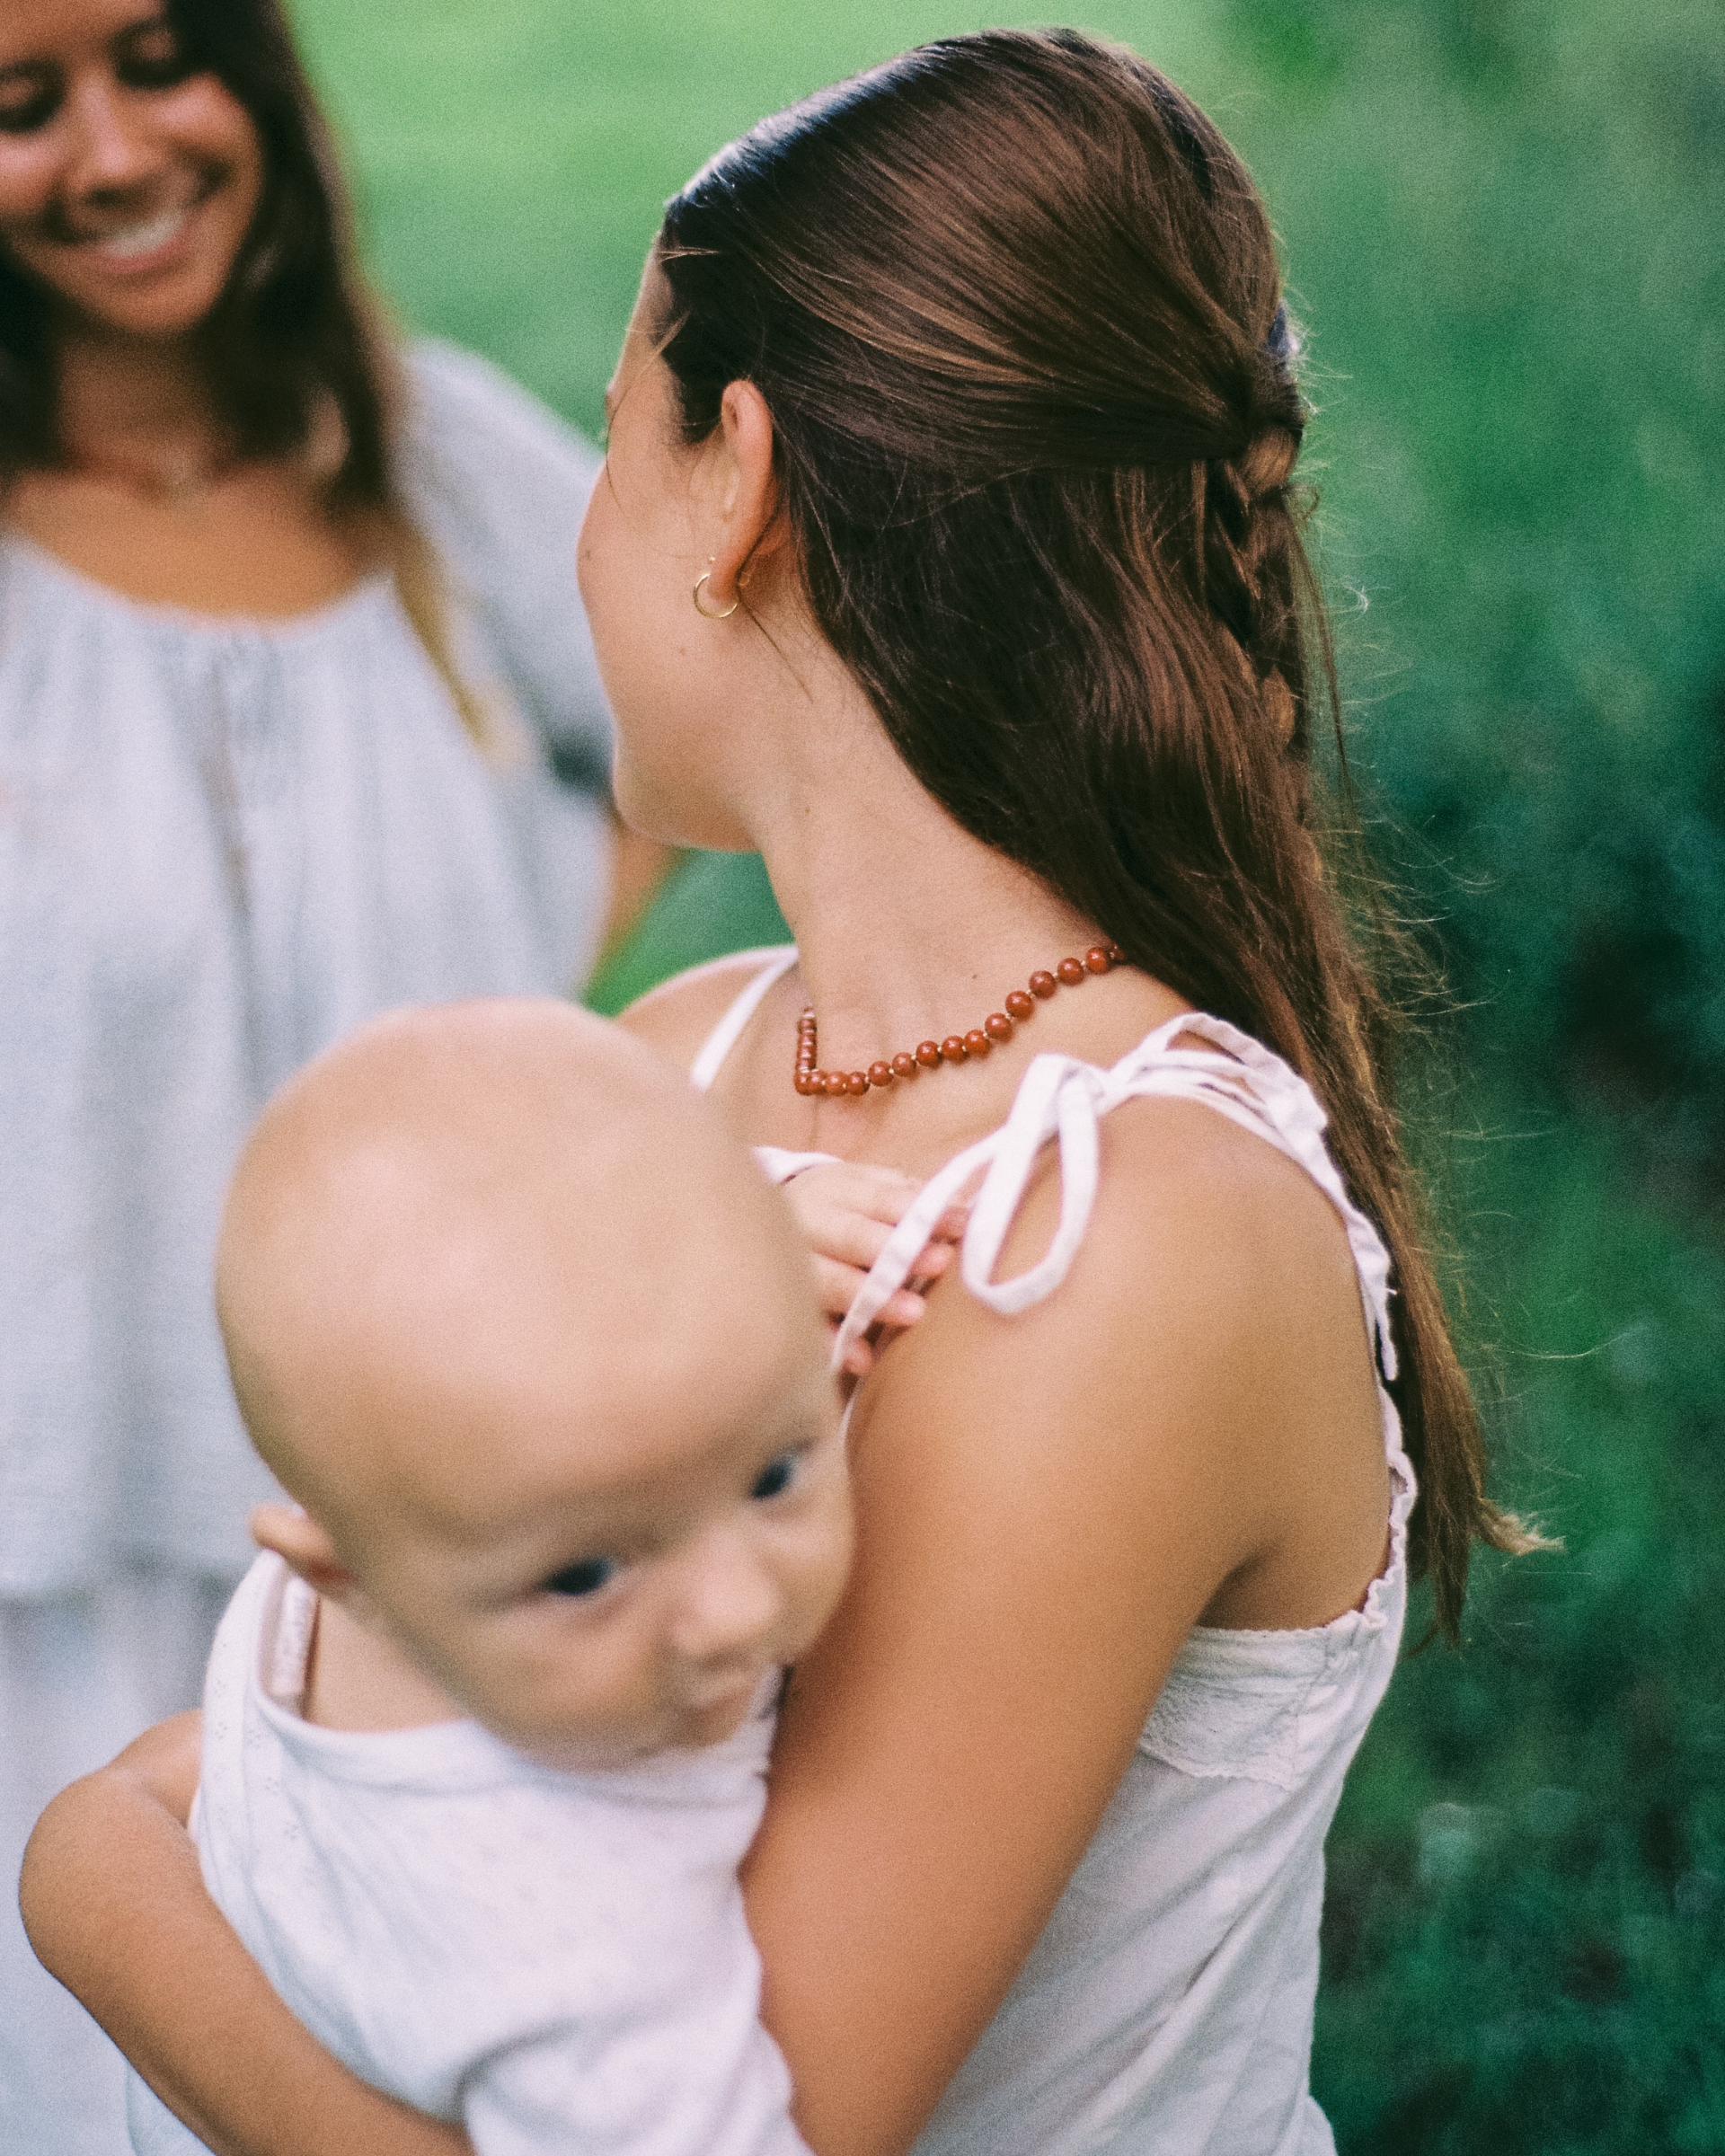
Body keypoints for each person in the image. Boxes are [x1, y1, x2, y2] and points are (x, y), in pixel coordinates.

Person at [22, 29, 1538, 2156]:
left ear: (736, 482)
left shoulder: (1119, 1232)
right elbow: (427, 1730)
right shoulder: (691, 1055)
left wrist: (91, 1875)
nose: (583, 528)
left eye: (617, 442)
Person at [0, 2, 664, 2146]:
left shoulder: (428, 458)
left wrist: (527, 949)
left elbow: (697, 725)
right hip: (57, 1541)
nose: (113, 151)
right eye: (19, 104)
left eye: (163, 59)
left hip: (445, 1520)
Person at [125, 996, 852, 2156]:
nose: (741, 1610)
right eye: (586, 1577)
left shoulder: (418, 1524)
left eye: (773, 1473)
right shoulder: (568, 1964)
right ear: (345, 1578)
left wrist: (761, 1232)